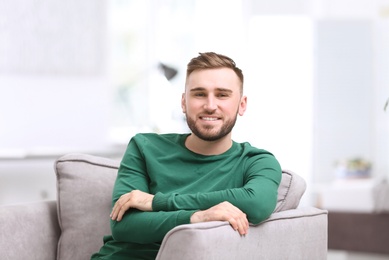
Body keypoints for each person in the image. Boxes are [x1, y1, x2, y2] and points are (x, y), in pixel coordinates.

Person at [91, 52, 282, 260]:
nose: (210, 105)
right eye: (199, 94)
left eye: (222, 95)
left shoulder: (257, 161)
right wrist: (197, 217)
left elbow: (257, 203)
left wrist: (156, 202)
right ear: (184, 102)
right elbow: (124, 225)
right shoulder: (144, 146)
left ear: (242, 104)